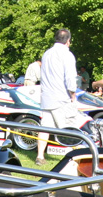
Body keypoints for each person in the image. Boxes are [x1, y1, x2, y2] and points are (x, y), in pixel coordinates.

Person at [36, 29, 90, 165]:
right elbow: (70, 78)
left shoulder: (46, 54)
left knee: (45, 128)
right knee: (69, 130)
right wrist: (73, 95)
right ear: (68, 41)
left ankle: (40, 156)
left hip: (47, 97)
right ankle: (74, 159)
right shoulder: (67, 55)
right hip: (61, 98)